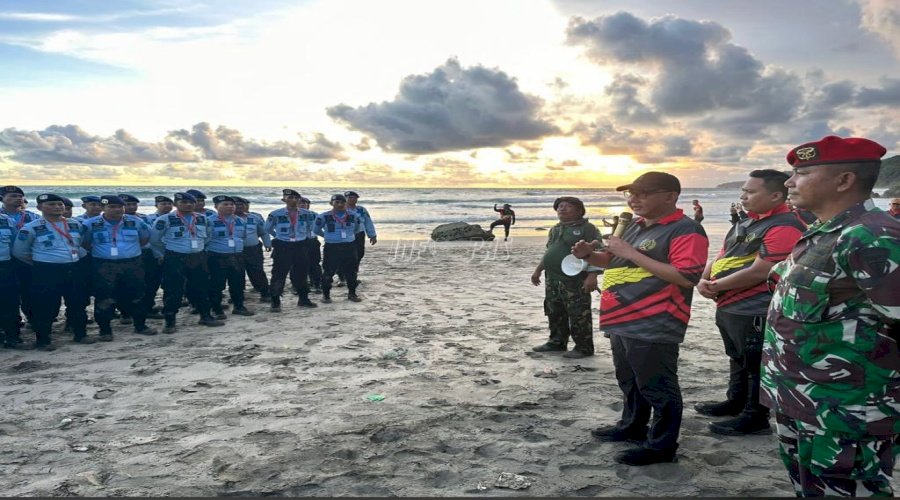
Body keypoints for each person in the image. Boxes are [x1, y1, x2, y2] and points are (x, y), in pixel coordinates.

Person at [761, 136, 900, 497]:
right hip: (803, 398)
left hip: (846, 410)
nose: (790, 182)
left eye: (802, 172)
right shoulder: (823, 231)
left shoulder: (872, 236)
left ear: (844, 180)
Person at [572, 172, 708, 466]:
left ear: (670, 196)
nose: (634, 199)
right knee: (629, 379)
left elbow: (686, 277)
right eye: (631, 194)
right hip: (620, 315)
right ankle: (632, 426)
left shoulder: (686, 230)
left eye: (644, 193)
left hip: (654, 319)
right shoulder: (635, 225)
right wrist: (589, 256)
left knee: (657, 385)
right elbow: (612, 260)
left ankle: (661, 446)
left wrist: (630, 252)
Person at [694, 170, 805, 436]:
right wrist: (703, 279)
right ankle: (735, 401)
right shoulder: (745, 222)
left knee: (756, 361)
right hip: (728, 304)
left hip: (755, 305)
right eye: (743, 191)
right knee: (737, 355)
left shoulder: (785, 225)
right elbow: (723, 255)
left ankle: (755, 416)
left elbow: (762, 270)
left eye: (751, 192)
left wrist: (717, 285)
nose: (743, 196)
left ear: (776, 195)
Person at [12, 193, 92, 350]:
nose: (57, 207)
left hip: (73, 268)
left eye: (59, 204)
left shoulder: (74, 224)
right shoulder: (31, 227)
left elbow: (81, 244)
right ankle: (43, 340)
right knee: (45, 306)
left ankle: (80, 334)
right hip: (46, 270)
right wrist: (39, 262)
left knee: (77, 303)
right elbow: (19, 252)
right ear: (40, 207)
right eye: (51, 204)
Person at [530, 196, 601, 358]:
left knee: (578, 314)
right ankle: (556, 342)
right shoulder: (555, 229)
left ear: (579, 211)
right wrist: (538, 270)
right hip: (552, 278)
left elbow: (598, 251)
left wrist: (592, 276)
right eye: (560, 206)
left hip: (575, 279)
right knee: (554, 310)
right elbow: (549, 251)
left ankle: (583, 348)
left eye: (568, 206)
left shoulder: (587, 228)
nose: (562, 208)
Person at [82, 195, 157, 340]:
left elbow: (145, 238)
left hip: (132, 263)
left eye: (119, 207)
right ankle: (105, 330)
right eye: (111, 207)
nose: (117, 209)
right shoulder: (90, 224)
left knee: (137, 295)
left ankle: (140, 325)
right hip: (104, 265)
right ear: (103, 208)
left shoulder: (135, 221)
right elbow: (85, 243)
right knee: (104, 297)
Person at [149, 192, 223, 334]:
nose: (188, 205)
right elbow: (155, 240)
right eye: (183, 202)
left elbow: (208, 236)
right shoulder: (166, 219)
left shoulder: (203, 219)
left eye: (191, 202)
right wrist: (162, 254)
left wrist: (199, 248)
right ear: (176, 204)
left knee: (202, 287)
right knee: (173, 290)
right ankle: (170, 321)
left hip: (198, 257)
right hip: (175, 258)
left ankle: (205, 316)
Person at [264, 189, 318, 312]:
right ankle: (275, 301)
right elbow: (267, 229)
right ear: (284, 200)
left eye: (296, 198)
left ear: (299, 200)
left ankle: (303, 299)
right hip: (283, 246)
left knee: (302, 273)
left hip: (301, 246)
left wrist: (307, 237)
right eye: (290, 198)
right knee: (279, 274)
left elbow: (312, 228)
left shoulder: (307, 214)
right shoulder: (275, 214)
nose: (293, 200)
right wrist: (278, 236)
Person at [207, 195, 254, 318]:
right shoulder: (209, 221)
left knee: (237, 283)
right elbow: (205, 239)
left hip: (237, 256)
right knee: (217, 284)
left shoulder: (239, 220)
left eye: (231, 204)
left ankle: (239, 306)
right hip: (217, 256)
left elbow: (242, 236)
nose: (230, 207)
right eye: (225, 204)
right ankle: (216, 309)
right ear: (216, 207)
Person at [2, 185, 40, 331]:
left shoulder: (33, 217)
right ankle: (13, 322)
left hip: (26, 260)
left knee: (29, 291)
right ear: (2, 199)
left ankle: (32, 318)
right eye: (12, 196)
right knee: (8, 295)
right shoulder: (1, 217)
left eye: (20, 196)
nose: (18, 198)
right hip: (6, 260)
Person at [314, 194, 362, 303]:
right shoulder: (323, 216)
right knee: (328, 272)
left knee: (351, 272)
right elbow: (316, 230)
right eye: (337, 202)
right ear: (331, 203)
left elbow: (357, 229)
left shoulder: (354, 216)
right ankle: (326, 296)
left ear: (346, 203)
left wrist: (348, 236)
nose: (340, 205)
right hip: (332, 247)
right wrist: (327, 236)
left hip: (349, 246)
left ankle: (352, 294)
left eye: (343, 202)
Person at [141, 195, 174, 318]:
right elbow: (150, 239)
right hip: (154, 256)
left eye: (169, 204)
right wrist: (159, 255)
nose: (166, 206)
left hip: (172, 254)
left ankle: (168, 306)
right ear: (156, 206)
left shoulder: (176, 218)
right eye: (163, 204)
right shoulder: (148, 219)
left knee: (170, 282)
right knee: (152, 282)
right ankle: (148, 307)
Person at [234, 196, 271, 301]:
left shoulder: (254, 218)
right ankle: (238, 296)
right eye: (236, 205)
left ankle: (265, 293)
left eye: (242, 204)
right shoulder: (225, 219)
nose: (239, 207)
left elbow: (263, 232)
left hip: (253, 249)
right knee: (237, 273)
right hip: (235, 251)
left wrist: (267, 243)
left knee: (257, 271)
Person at [0, 211, 25, 348]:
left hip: (5, 266)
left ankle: (12, 337)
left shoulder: (7, 220)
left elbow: (15, 244)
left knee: (10, 303)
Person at [343, 191, 376, 287]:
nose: (352, 199)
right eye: (350, 197)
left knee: (359, 254)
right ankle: (342, 277)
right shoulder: (341, 209)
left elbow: (368, 222)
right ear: (345, 198)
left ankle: (353, 275)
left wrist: (372, 235)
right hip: (346, 236)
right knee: (345, 256)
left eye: (354, 197)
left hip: (359, 235)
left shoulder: (361, 210)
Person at [299, 196, 322, 294]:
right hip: (298, 242)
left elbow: (321, 228)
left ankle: (316, 284)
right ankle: (298, 285)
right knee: (298, 265)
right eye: (301, 203)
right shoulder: (293, 215)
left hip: (312, 241)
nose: (303, 204)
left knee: (315, 264)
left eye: (305, 203)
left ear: (308, 205)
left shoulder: (315, 215)